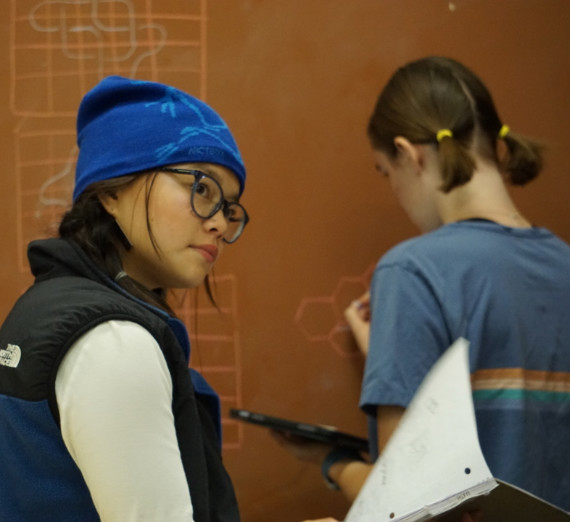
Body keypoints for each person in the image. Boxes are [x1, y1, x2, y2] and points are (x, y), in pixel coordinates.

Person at [274, 56, 570, 515]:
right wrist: (394, 355)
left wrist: (332, 462)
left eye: (384, 171)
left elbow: (408, 505)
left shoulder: (411, 272)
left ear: (408, 155)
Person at [0, 76, 249, 521]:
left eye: (229, 208)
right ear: (112, 191)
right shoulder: (113, 343)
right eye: (202, 189)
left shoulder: (51, 305)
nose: (219, 224)